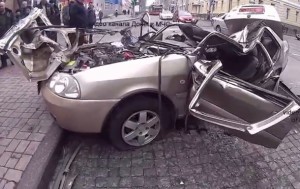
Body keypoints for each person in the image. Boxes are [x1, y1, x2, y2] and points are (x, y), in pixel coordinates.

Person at [0, 2, 14, 69]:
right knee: (1, 49)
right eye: (0, 6)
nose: (0, 8)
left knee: (9, 48)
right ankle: (4, 63)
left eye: (2, 6)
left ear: (4, 6)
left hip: (8, 34)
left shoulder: (9, 14)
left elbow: (14, 23)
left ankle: (12, 61)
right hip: (1, 35)